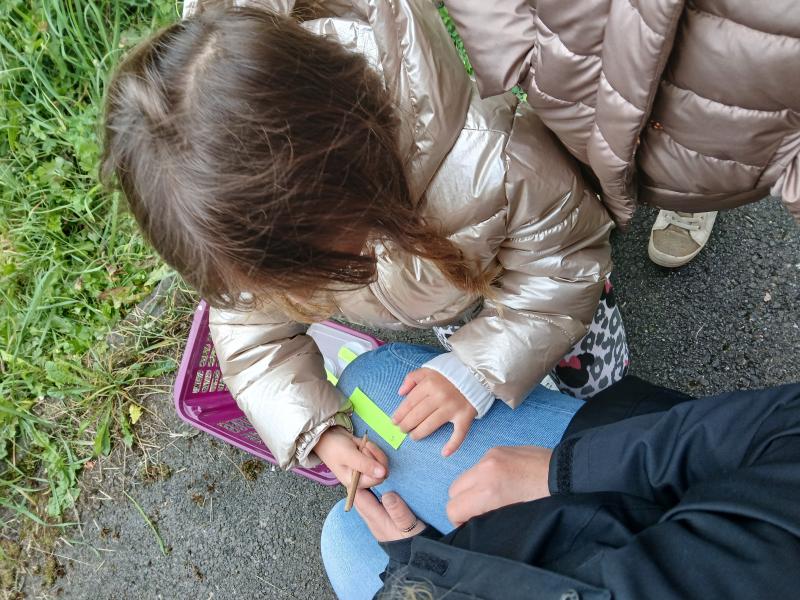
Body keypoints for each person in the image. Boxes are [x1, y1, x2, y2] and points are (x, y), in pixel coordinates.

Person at [101, 0, 628, 490]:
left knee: (595, 385)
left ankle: (625, 427)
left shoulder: (497, 160)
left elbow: (563, 270)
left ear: (351, 183)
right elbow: (250, 337)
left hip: (536, 286)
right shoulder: (259, 228)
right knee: (471, 340)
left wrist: (476, 371)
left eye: (315, 271)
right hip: (443, 290)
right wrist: (318, 429)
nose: (295, 295)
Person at [322, 345, 800, 599]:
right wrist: (564, 472)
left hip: (462, 565)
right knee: (368, 383)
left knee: (342, 532)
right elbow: (778, 432)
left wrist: (415, 570)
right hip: (617, 499)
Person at [442, 1, 800, 267]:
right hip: (573, 59)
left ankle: (691, 199)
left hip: (728, 101)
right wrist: (509, 47)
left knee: (706, 128)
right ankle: (590, 195)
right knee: (575, 149)